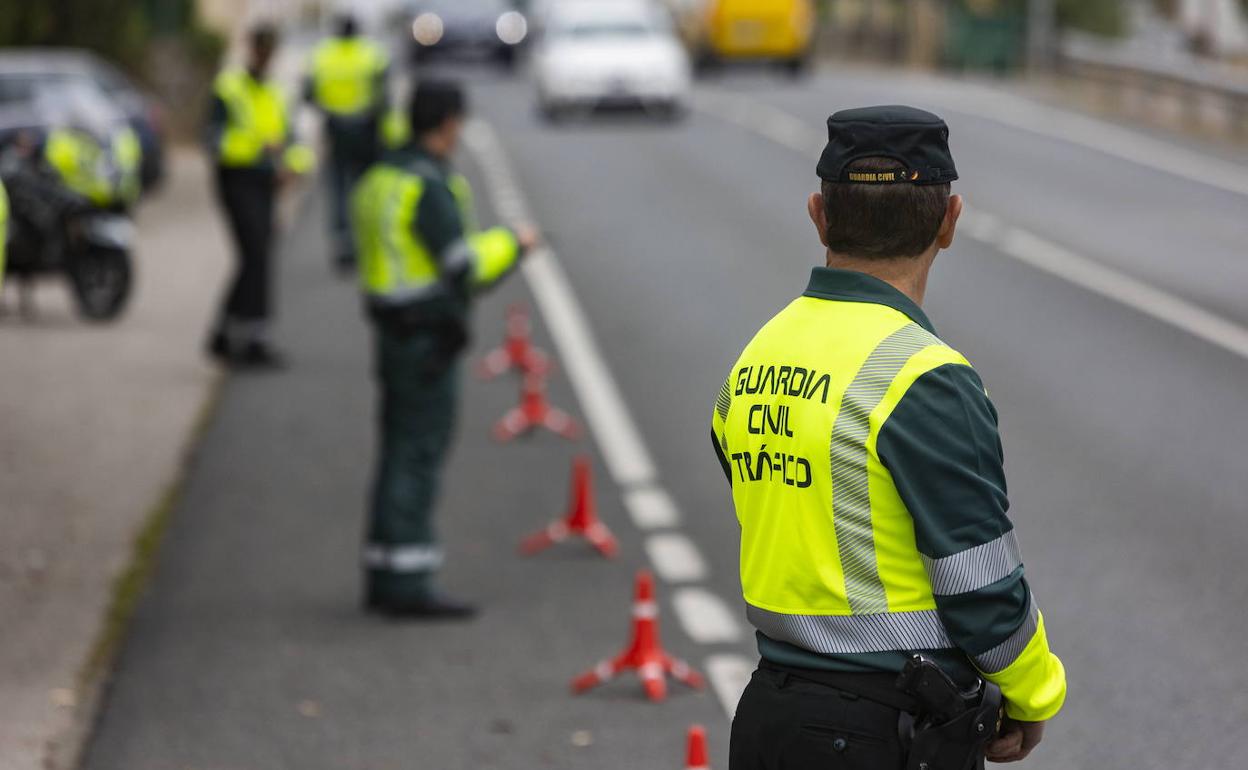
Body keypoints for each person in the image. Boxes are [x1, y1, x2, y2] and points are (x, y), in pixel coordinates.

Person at [713, 106, 1067, 768]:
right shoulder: (926, 378)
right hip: (882, 730)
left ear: (818, 213)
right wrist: (1034, 696)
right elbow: (980, 588)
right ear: (949, 222)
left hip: (768, 717)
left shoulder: (754, 359)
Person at [352, 80, 537, 619]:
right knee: (419, 455)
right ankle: (408, 583)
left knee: (395, 451)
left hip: (391, 334)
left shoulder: (380, 179)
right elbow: (464, 269)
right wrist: (515, 243)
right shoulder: (428, 187)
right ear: (450, 123)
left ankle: (383, 569)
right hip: (427, 341)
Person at [205, 23, 314, 369]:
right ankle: (251, 337)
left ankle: (227, 333)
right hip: (237, 180)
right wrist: (261, 151)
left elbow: (292, 139)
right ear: (250, 48)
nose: (265, 55)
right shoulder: (229, 87)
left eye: (270, 49)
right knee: (255, 253)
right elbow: (214, 141)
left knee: (257, 255)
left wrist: (293, 166)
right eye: (261, 48)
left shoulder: (278, 91)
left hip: (267, 183)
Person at [305, 13, 390, 272]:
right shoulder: (372, 54)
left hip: (335, 129)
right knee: (365, 188)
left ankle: (343, 245)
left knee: (338, 189)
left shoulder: (322, 55)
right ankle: (367, 241)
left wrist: (332, 110)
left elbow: (309, 94)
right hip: (365, 130)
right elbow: (383, 98)